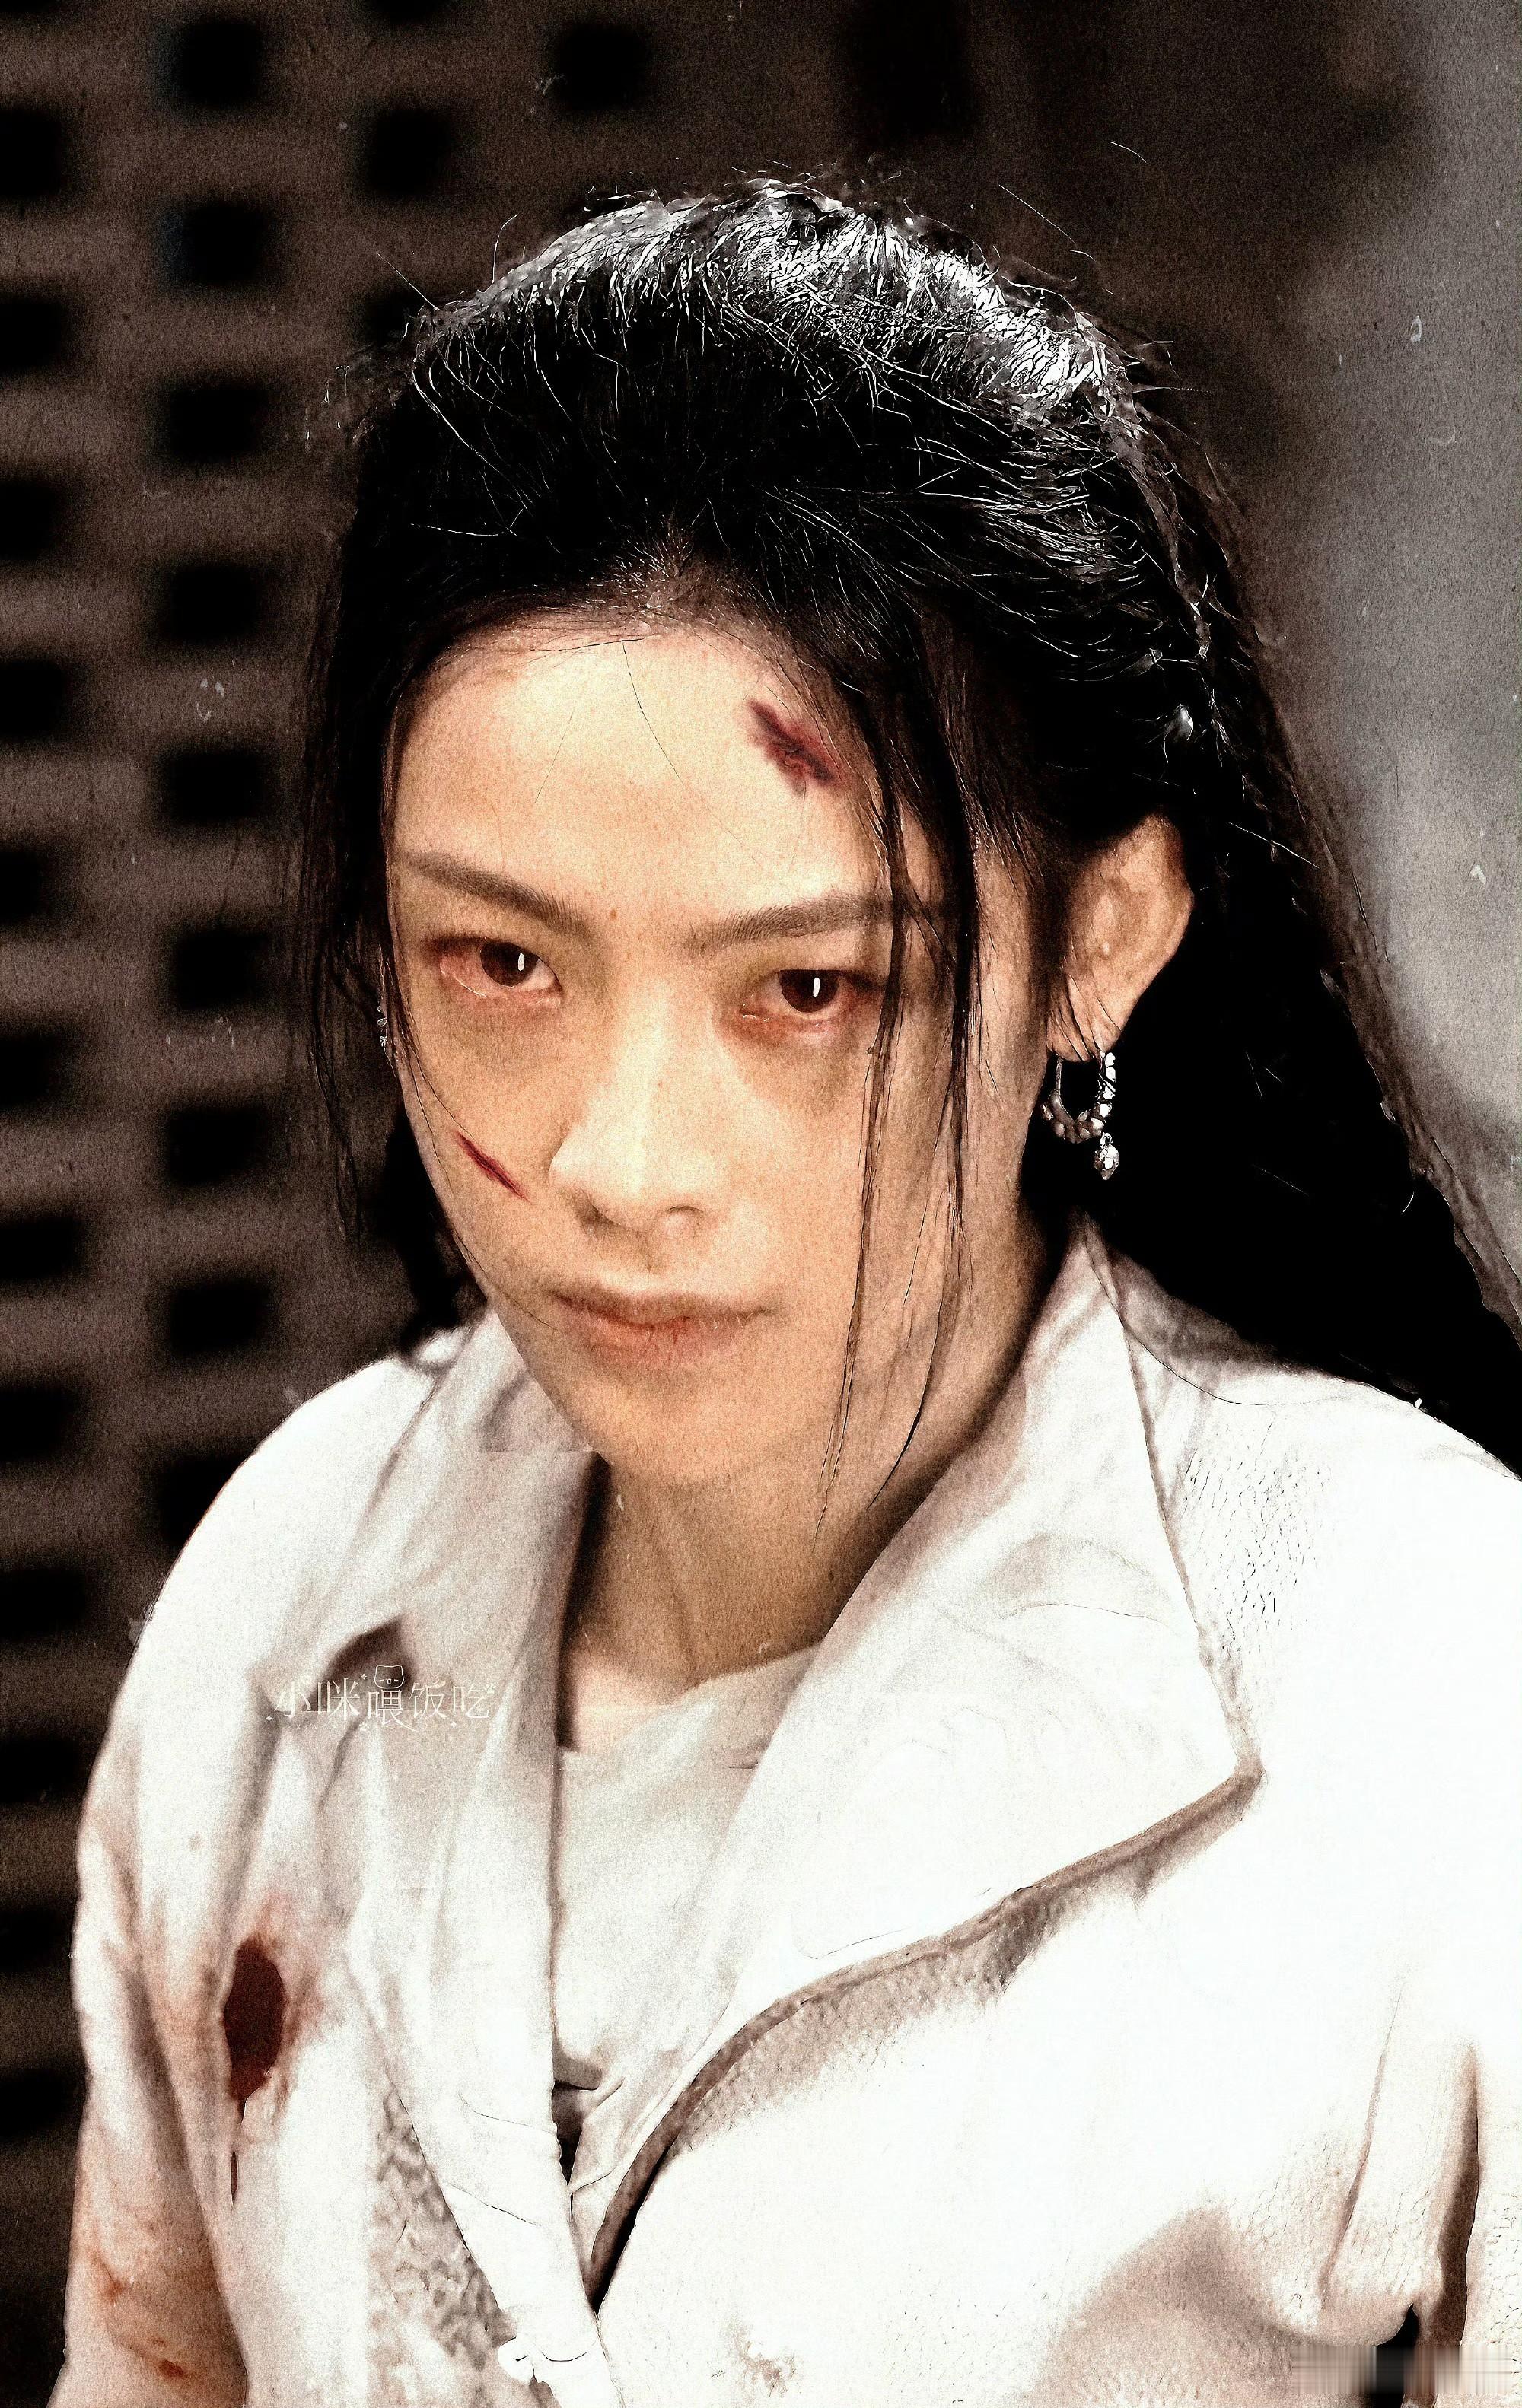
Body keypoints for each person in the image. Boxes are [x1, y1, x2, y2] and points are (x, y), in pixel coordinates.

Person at [53, 183, 1522, 2408]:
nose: (622, 1164)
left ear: (1103, 942)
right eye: (504, 961)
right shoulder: (293, 1582)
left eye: (810, 987)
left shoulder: (1430, 1680)